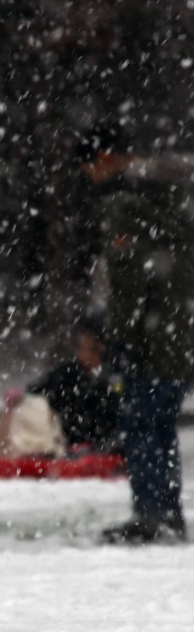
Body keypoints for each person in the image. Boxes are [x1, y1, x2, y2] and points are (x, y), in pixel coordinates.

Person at [81, 124, 194, 543]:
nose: (90, 177)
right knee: (161, 425)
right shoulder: (169, 192)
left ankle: (151, 516)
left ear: (105, 158)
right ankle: (167, 515)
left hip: (154, 337)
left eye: (89, 166)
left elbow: (128, 280)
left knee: (140, 424)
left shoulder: (125, 203)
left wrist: (119, 340)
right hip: (182, 329)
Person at [0, 312, 120, 458]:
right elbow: (38, 391)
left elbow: (114, 409)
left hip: (102, 439)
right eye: (85, 348)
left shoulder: (112, 375)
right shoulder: (67, 373)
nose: (91, 355)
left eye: (95, 349)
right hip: (68, 438)